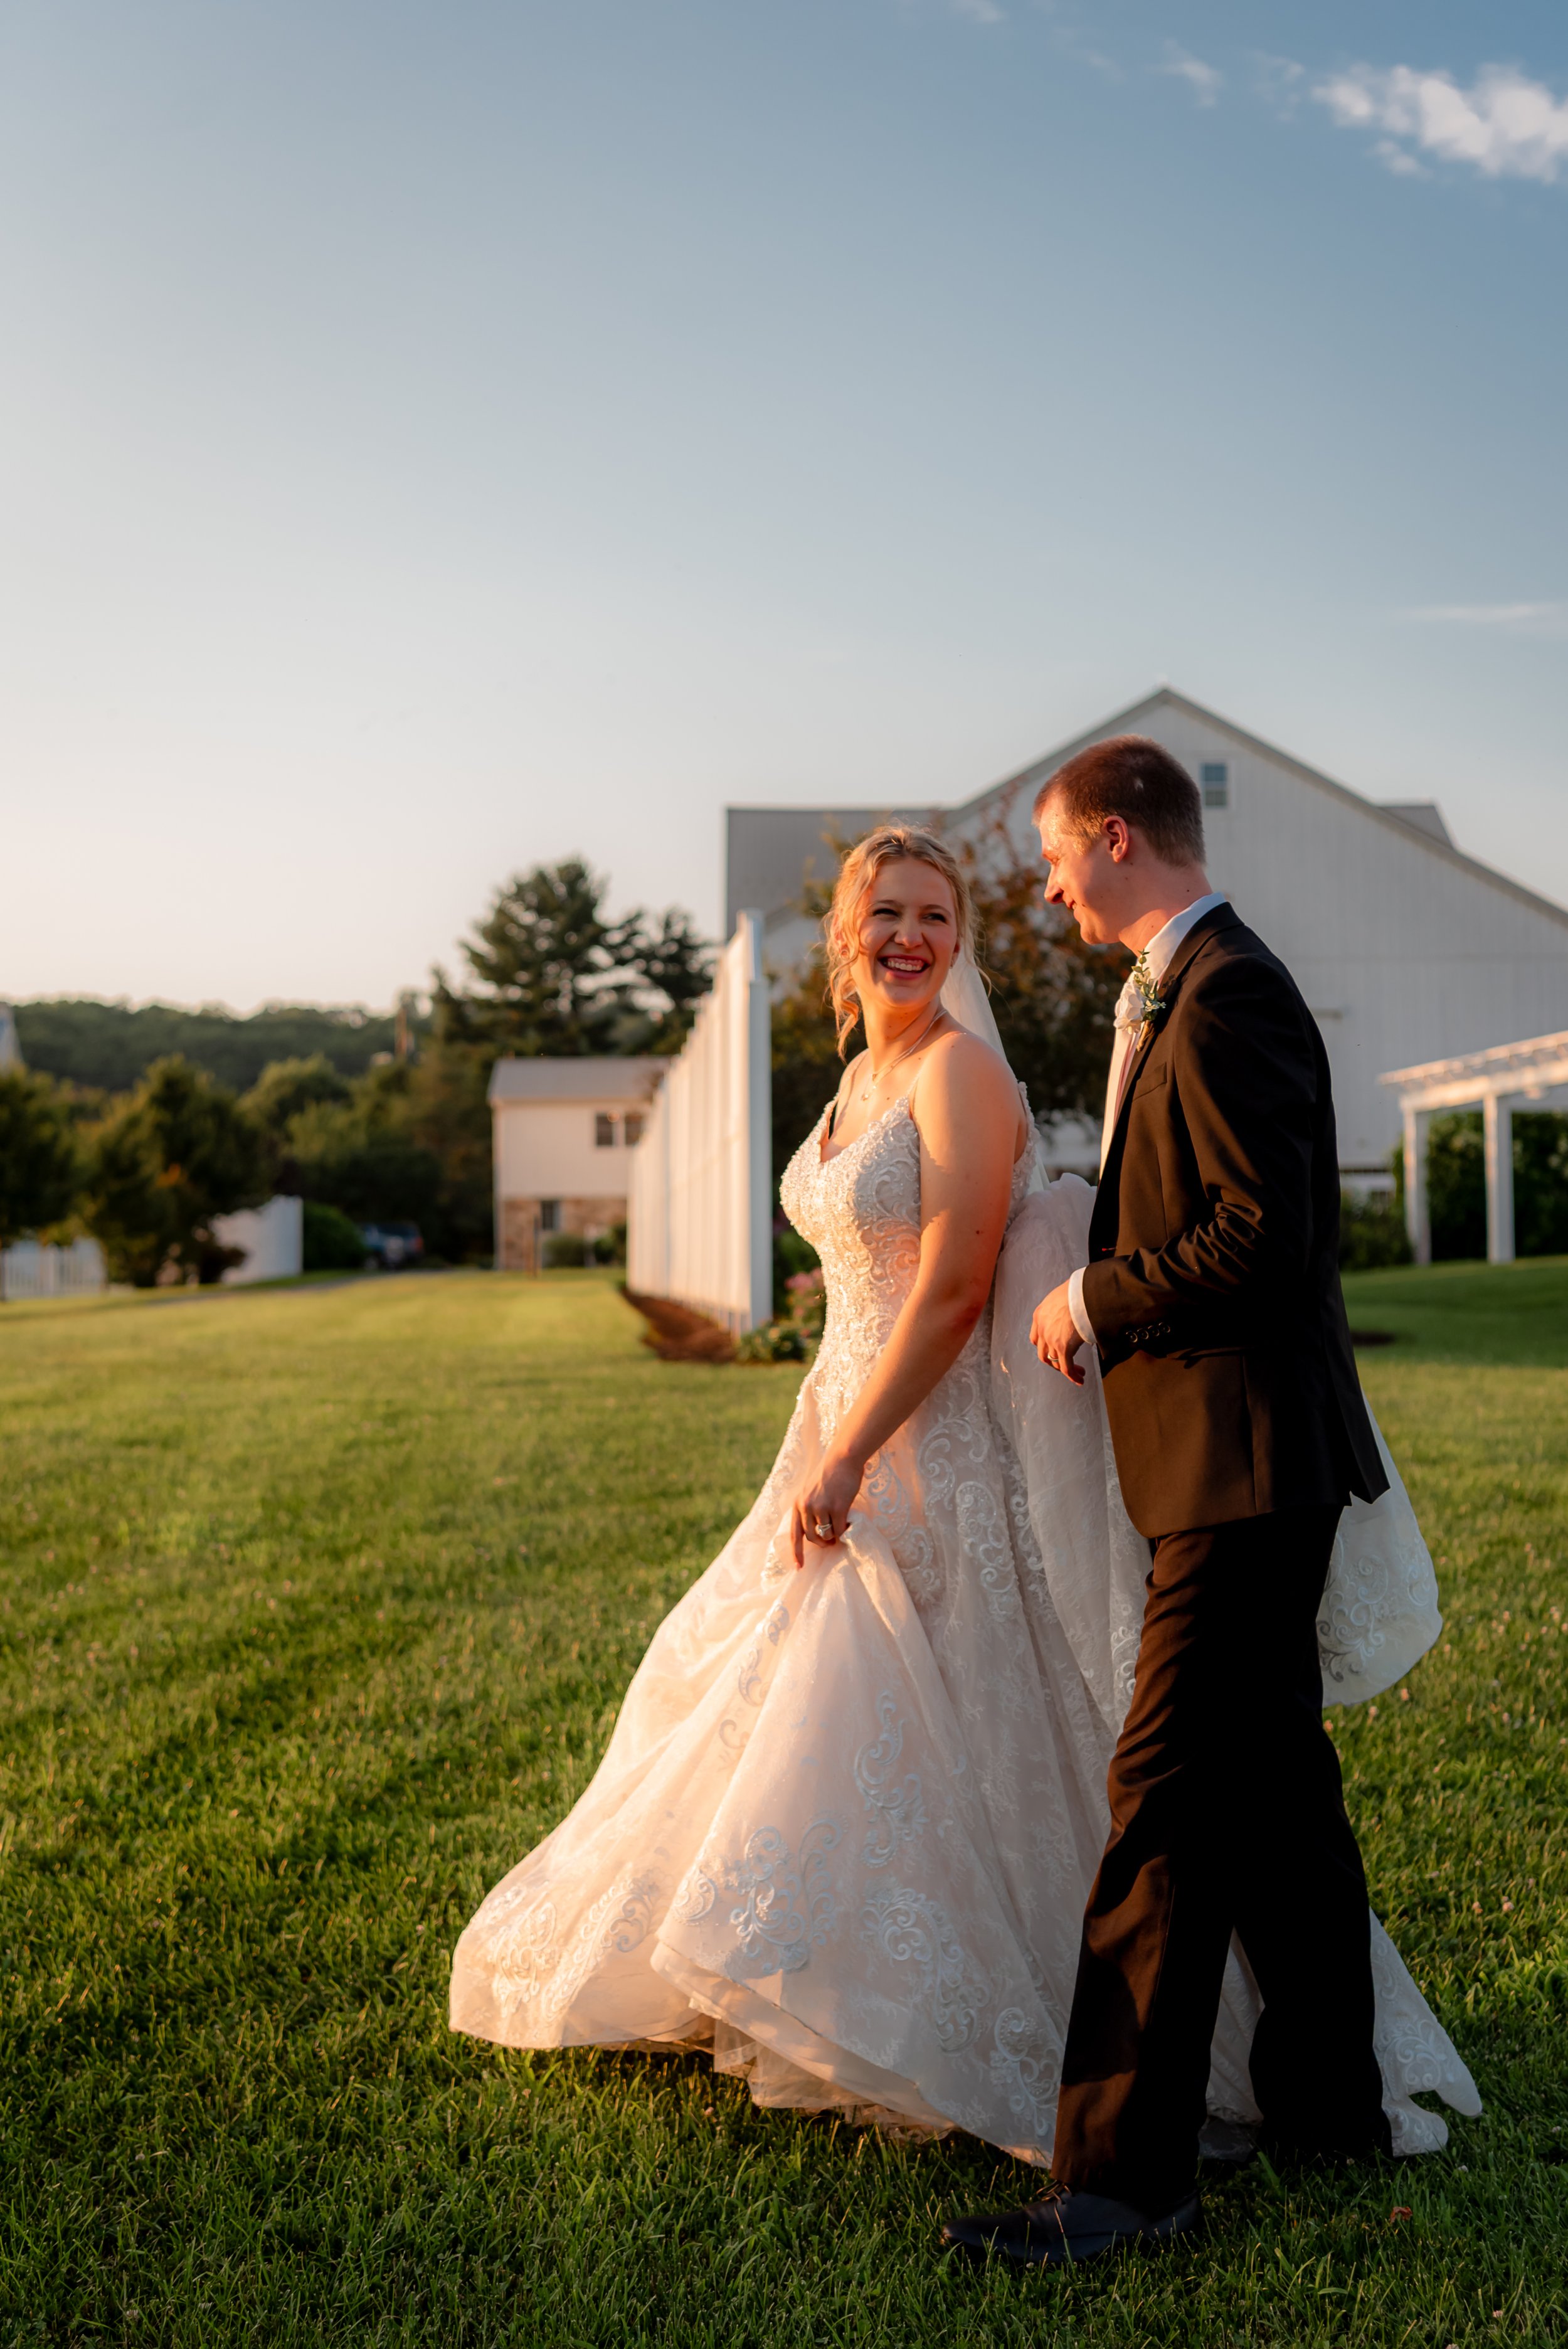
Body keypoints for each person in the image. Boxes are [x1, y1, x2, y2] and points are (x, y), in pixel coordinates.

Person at [449, 814, 1476, 2211]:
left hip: (926, 1445)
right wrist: (826, 1424)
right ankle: (797, 1973)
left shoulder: (964, 1073)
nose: (912, 937)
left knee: (1033, 1740)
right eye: (889, 913)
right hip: (841, 1415)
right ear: (846, 933)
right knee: (806, 1707)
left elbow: (947, 1291)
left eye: (937, 915)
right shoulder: (858, 1075)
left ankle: (1125, 2092)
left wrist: (853, 1451)